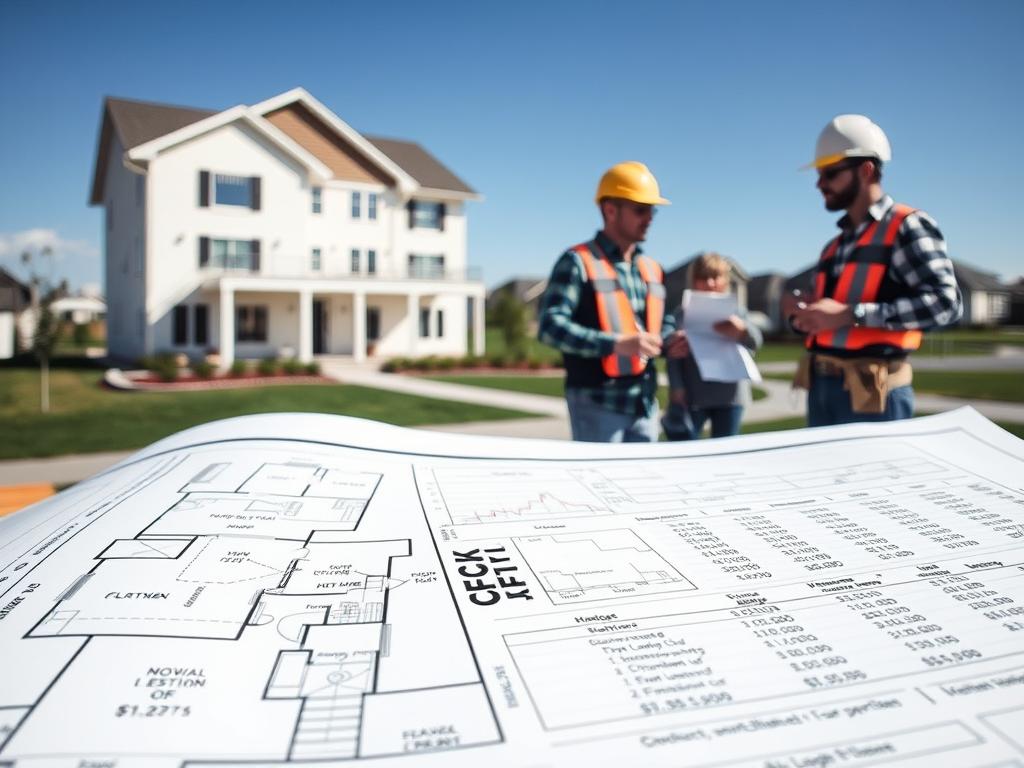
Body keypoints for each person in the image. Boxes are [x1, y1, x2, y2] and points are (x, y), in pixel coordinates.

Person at [784, 115, 962, 426]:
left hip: (875, 392)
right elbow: (830, 316)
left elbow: (946, 305)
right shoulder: (834, 246)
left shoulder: (906, 227)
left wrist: (852, 314)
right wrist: (803, 315)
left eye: (830, 173)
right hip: (821, 386)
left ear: (866, 170)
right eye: (819, 174)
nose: (820, 184)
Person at [538, 161, 687, 442]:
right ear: (610, 210)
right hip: (597, 404)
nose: (649, 218)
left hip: (645, 404)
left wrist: (669, 341)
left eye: (652, 210)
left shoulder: (652, 269)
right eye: (640, 209)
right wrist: (616, 344)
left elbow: (661, 323)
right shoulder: (578, 262)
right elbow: (550, 327)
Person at [662, 253, 762, 440]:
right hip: (693, 394)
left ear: (726, 280)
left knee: (725, 450)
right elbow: (672, 356)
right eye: (703, 277)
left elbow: (756, 341)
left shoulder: (736, 312)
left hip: (731, 396)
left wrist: (742, 331)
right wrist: (676, 387)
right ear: (693, 280)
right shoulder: (682, 313)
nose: (710, 283)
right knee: (686, 449)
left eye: (715, 276)